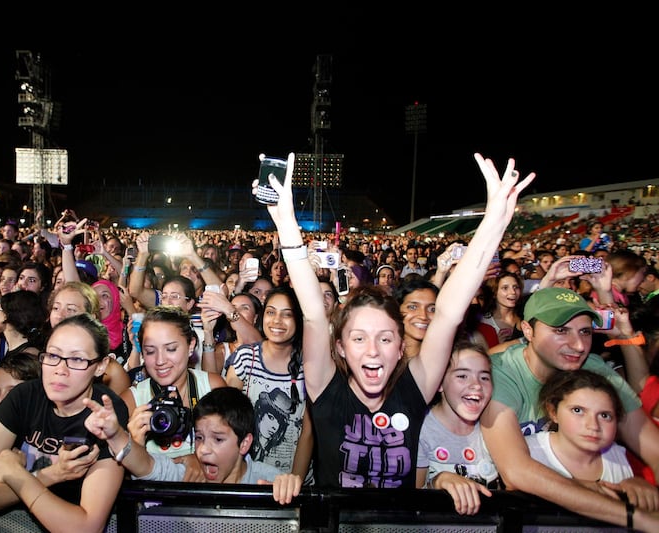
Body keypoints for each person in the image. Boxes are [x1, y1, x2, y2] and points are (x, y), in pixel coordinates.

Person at [260, 152, 533, 488]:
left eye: (385, 339)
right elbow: (315, 314)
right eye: (359, 338)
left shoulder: (413, 389)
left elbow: (447, 314)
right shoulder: (326, 391)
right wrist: (287, 223)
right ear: (341, 347)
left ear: (401, 346)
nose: (373, 351)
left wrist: (494, 222)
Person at [480, 287, 659, 530]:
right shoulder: (501, 372)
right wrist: (634, 516)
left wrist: (640, 490)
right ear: (528, 330)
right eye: (561, 331)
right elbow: (516, 472)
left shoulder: (595, 370)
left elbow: (652, 446)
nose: (578, 345)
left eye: (585, 332)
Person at [0, 313, 129, 532]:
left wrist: (14, 474)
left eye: (77, 359)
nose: (60, 370)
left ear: (101, 366)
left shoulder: (106, 412)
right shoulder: (25, 397)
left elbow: (86, 528)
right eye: (53, 356)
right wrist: (50, 475)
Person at [83, 386, 302, 505]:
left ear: (244, 443)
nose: (204, 449)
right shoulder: (188, 475)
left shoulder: (267, 482)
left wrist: (291, 489)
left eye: (218, 439)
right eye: (199, 438)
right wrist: (115, 435)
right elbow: (145, 465)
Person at [225, 285, 313, 482]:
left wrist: (293, 484)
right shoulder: (246, 358)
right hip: (247, 478)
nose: (276, 321)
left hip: (293, 478)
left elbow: (308, 433)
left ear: (299, 319)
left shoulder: (309, 366)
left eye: (287, 315)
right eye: (271, 312)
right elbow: (227, 418)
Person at [120, 305, 226, 461]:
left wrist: (197, 460)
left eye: (170, 349)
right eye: (150, 351)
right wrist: (134, 446)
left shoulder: (213, 387)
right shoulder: (131, 401)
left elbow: (232, 455)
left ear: (190, 346)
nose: (160, 361)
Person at [525, 369, 648, 487]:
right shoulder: (527, 451)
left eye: (604, 415)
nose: (593, 426)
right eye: (577, 410)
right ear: (553, 412)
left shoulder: (618, 457)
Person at [416, 339, 498, 516]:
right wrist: (438, 480)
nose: (476, 385)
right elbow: (410, 506)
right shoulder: (420, 431)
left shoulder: (496, 427)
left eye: (484, 377)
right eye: (462, 376)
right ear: (438, 383)